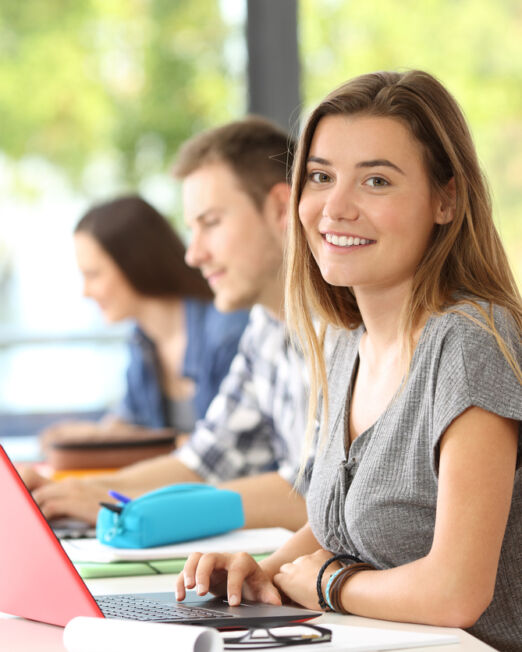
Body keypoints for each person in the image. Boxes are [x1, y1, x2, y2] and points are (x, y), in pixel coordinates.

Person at [176, 71, 522, 651]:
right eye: (320, 177)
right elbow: (345, 520)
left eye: (377, 181)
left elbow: (457, 592)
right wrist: (263, 571)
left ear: (447, 199)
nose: (335, 207)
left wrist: (330, 583)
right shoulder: (344, 341)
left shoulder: (472, 342)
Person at [21, 117, 310, 531]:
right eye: (191, 229)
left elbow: (318, 496)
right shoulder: (265, 329)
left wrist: (124, 503)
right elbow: (203, 461)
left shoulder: (346, 328)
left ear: (281, 209)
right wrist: (79, 490)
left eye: (210, 223)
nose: (193, 255)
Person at [41, 195, 249, 449]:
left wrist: (141, 443)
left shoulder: (228, 332)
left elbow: (227, 451)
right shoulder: (142, 342)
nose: (85, 292)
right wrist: (92, 436)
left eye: (93, 274)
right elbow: (131, 422)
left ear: (134, 263)